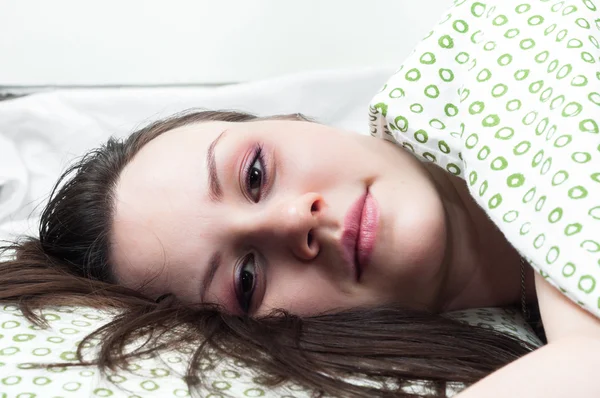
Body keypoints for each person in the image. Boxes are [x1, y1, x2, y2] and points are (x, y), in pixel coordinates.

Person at [2, 1, 599, 397]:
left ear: (293, 118)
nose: (294, 221)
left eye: (256, 174)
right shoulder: (511, 332)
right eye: (245, 278)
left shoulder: (505, 49)